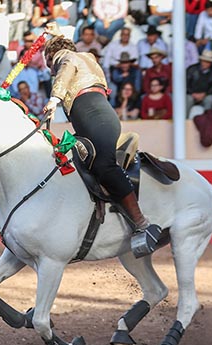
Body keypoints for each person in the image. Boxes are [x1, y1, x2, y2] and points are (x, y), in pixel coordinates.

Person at [42, 24, 162, 257]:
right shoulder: (85, 57)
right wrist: (58, 34)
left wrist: (55, 98)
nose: (49, 68)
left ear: (51, 55)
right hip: (94, 119)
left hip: (96, 120)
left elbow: (65, 65)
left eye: (48, 62)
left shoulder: (66, 58)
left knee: (104, 166)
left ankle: (141, 223)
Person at [186, 49, 212, 117]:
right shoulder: (191, 69)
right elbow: (186, 84)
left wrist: (205, 94)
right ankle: (185, 119)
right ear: (201, 61)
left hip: (205, 94)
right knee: (188, 99)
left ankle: (207, 119)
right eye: (204, 61)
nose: (205, 64)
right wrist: (192, 93)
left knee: (210, 99)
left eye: (208, 62)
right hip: (192, 94)